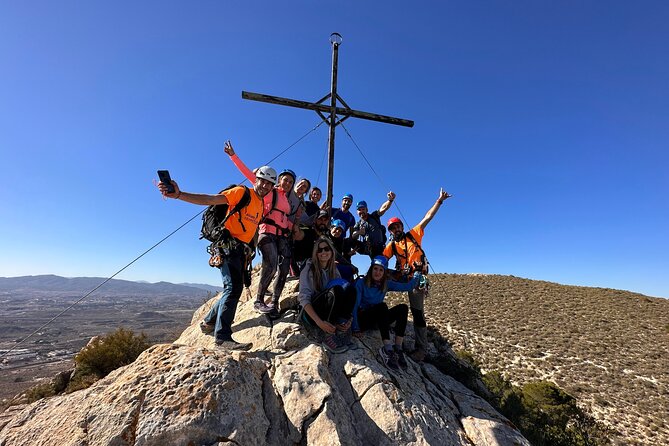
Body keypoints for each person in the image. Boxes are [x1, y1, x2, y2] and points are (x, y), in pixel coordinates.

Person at [156, 163, 277, 350]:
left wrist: (251, 251)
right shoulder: (241, 192)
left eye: (269, 184)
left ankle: (209, 322)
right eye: (262, 181)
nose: (265, 186)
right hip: (226, 245)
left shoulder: (260, 204)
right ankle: (222, 338)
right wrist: (180, 195)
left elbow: (252, 229)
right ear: (256, 180)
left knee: (232, 288)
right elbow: (210, 199)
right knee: (233, 288)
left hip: (241, 251)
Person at [223, 141, 295, 318]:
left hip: (282, 235)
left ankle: (274, 301)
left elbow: (284, 218)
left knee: (284, 268)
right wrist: (234, 156)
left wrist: (294, 228)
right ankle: (259, 300)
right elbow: (250, 175)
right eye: (285, 180)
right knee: (270, 264)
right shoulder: (270, 190)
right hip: (267, 232)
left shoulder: (287, 200)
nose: (287, 183)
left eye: (290, 182)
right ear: (279, 180)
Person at [383, 188, 451, 362]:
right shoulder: (392, 245)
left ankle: (422, 349)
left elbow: (428, 217)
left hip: (416, 278)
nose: (396, 229)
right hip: (402, 275)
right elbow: (382, 258)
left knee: (417, 311)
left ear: (401, 227)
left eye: (397, 226)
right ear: (390, 231)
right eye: (392, 228)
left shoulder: (413, 235)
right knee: (378, 276)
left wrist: (439, 201)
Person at [351, 256, 421, 370]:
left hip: (377, 319)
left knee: (403, 308)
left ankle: (398, 348)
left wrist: (417, 274)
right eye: (375, 269)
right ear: (371, 269)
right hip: (362, 319)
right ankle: (387, 349)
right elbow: (354, 306)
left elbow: (407, 287)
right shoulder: (361, 283)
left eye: (381, 270)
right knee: (382, 306)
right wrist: (355, 328)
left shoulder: (386, 284)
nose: (377, 272)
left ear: (384, 272)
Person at [298, 236, 356, 353]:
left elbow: (344, 292)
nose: (323, 252)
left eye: (326, 249)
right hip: (312, 313)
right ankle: (326, 335)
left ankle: (340, 325)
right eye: (320, 250)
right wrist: (319, 322)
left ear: (331, 251)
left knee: (351, 290)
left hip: (328, 306)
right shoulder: (309, 269)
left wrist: (349, 317)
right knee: (336, 291)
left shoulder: (333, 269)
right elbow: (303, 298)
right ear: (316, 253)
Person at [353, 191, 396, 259]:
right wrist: (359, 232)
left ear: (367, 210)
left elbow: (383, 208)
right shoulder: (358, 224)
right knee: (349, 241)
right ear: (357, 212)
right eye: (359, 210)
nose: (361, 211)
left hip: (378, 247)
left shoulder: (374, 216)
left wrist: (390, 200)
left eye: (363, 209)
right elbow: (353, 236)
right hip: (367, 248)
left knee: (377, 262)